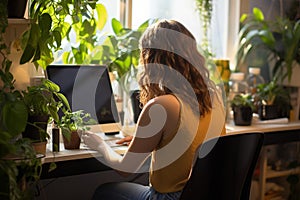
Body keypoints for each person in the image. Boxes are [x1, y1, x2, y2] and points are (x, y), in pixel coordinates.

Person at [82, 19, 226, 200]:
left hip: (172, 198)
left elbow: (125, 169)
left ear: (150, 58)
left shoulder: (162, 106)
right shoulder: (215, 97)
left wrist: (100, 145)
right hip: (209, 195)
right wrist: (145, 139)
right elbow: (188, 140)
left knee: (104, 191)